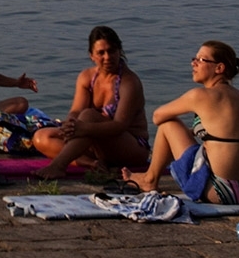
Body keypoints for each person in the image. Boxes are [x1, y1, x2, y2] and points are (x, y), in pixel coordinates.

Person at [123, 41, 239, 204]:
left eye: (201, 60)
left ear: (219, 68)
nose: (193, 63)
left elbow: (158, 116)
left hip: (223, 192)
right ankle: (149, 178)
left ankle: (149, 179)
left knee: (168, 125)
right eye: (195, 58)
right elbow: (224, 131)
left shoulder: (200, 96)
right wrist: (193, 131)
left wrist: (182, 134)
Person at [31, 26, 150, 179]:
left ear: (119, 51)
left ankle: (58, 166)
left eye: (112, 51)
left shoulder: (129, 82)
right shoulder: (87, 77)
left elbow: (120, 125)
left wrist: (83, 128)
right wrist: (71, 124)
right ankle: (89, 162)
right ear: (92, 56)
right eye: (101, 53)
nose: (107, 57)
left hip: (130, 146)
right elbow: (76, 110)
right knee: (41, 137)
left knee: (89, 115)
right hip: (95, 142)